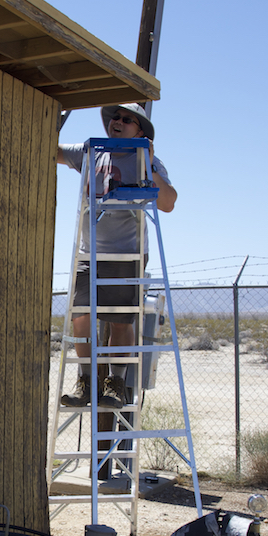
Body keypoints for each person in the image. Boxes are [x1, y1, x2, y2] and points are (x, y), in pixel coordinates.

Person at [56, 103, 177, 408]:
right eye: (114, 118)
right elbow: (53, 151)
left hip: (127, 252)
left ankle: (116, 383)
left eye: (127, 120)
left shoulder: (146, 160)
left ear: (140, 131)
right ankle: (87, 382)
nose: (117, 123)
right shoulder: (91, 152)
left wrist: (148, 165)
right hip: (89, 252)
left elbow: (168, 201)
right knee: (81, 315)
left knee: (120, 320)